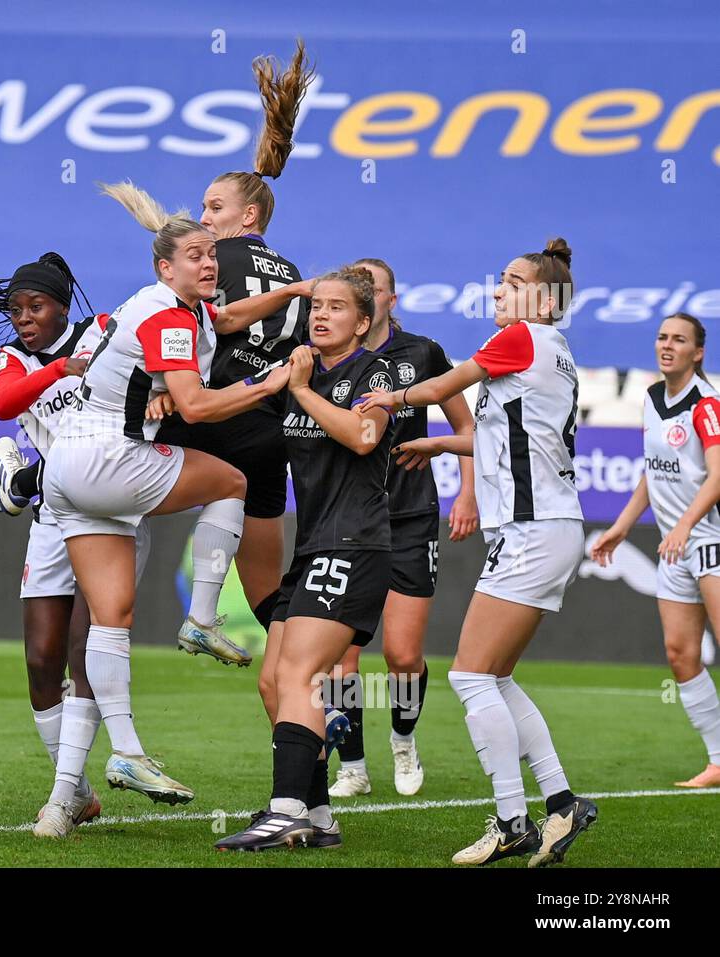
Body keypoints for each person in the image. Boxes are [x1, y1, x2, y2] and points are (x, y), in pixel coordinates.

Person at [32, 182, 294, 838]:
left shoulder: (187, 307)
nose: (211, 263)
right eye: (198, 255)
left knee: (110, 620)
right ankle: (202, 617)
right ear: (164, 268)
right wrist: (271, 381)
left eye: (213, 253)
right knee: (231, 480)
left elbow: (230, 319)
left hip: (69, 467)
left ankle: (102, 769)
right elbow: (199, 406)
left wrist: (291, 292)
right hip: (108, 459)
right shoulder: (171, 318)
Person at [358, 239, 597, 867]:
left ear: (544, 300)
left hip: (532, 529)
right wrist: (443, 448)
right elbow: (505, 437)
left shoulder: (522, 338)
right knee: (494, 676)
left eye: (512, 282)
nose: (497, 290)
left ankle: (512, 819)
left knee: (469, 675)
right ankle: (562, 803)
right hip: (544, 528)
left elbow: (445, 383)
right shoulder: (551, 350)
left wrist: (392, 399)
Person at [215, 267, 394, 852]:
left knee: (301, 675)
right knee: (273, 681)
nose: (320, 315)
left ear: (363, 322)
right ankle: (318, 817)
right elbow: (238, 413)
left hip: (356, 545)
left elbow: (365, 436)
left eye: (337, 308)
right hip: (313, 546)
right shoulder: (301, 370)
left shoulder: (377, 371)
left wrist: (300, 390)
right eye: (316, 305)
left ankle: (285, 809)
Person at [156, 46, 315, 664]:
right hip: (269, 427)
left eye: (212, 209)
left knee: (99, 490)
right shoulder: (295, 272)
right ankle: (300, 686)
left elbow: (189, 322)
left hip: (210, 409)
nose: (201, 220)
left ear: (247, 215)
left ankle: (35, 481)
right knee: (269, 590)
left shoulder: (209, 259)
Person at [0, 250, 128, 826]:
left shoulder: (100, 331)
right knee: (40, 660)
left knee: (84, 649)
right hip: (54, 515)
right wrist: (58, 370)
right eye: (16, 309)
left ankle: (60, 798)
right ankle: (76, 788)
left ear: (62, 305)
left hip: (106, 508)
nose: (25, 318)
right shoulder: (15, 358)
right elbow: (4, 402)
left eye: (36, 306)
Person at [325, 257, 479, 799]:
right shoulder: (331, 355)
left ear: (390, 299)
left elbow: (466, 425)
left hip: (411, 517)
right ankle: (353, 767)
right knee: (340, 655)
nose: (367, 293)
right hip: (348, 519)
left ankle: (404, 741)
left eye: (376, 287)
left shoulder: (424, 353)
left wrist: (469, 491)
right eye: (357, 286)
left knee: (403, 656)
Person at [592, 313, 720, 789]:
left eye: (679, 339)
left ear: (698, 352)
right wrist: (622, 528)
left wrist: (685, 525)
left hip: (708, 538)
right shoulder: (650, 398)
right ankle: (718, 759)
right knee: (681, 652)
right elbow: (654, 471)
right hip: (676, 543)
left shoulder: (706, 405)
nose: (667, 345)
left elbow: (718, 474)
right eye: (663, 337)